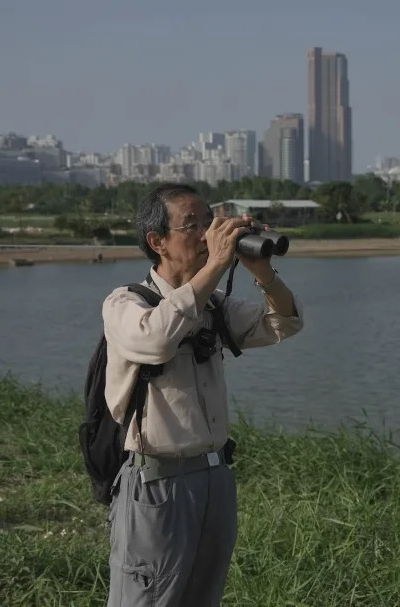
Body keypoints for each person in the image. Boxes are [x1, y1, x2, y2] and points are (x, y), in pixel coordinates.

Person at [101, 183, 304, 605]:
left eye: (208, 222)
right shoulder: (124, 304)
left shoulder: (213, 306)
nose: (204, 232)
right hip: (157, 481)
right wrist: (215, 263)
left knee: (202, 597)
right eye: (191, 224)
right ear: (157, 241)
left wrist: (261, 271)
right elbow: (156, 340)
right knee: (149, 598)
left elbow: (284, 323)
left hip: (214, 478)